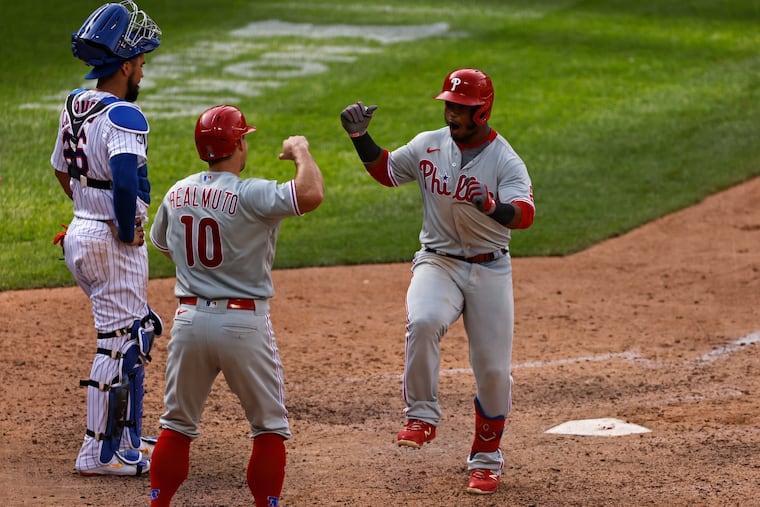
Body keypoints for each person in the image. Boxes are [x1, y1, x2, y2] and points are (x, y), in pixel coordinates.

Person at [340, 68, 535, 495]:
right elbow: (388, 171)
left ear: (481, 112)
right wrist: (361, 139)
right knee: (424, 320)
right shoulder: (429, 144)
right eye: (448, 105)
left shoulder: (505, 159)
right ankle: (422, 416)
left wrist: (493, 206)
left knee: (493, 373)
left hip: (489, 269)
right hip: (438, 262)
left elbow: (525, 214)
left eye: (459, 108)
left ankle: (486, 460)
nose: (450, 113)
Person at [148, 104, 324, 506]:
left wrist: (204, 274)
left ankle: (158, 503)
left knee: (176, 425)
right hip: (243, 323)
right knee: (268, 428)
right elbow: (310, 193)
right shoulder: (253, 193)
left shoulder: (177, 192)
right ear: (239, 143)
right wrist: (300, 150)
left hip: (189, 320)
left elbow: (163, 245)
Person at [50, 0, 164, 477]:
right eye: (139, 63)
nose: (142, 71)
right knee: (119, 343)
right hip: (110, 242)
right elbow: (122, 178)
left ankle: (129, 436)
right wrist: (121, 227)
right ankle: (101, 453)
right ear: (123, 66)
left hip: (82, 231)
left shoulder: (76, 105)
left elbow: (61, 168)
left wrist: (86, 212)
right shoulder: (126, 118)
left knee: (135, 334)